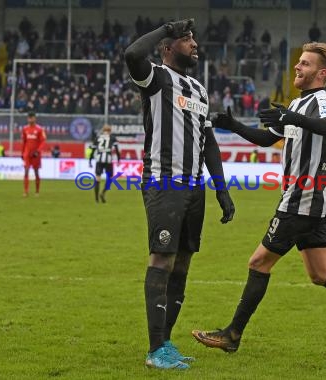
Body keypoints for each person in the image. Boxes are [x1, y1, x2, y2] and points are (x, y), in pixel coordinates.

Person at [192, 42, 326, 358]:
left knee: (258, 263)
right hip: (314, 201)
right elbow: (269, 138)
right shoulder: (300, 102)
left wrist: (290, 116)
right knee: (321, 274)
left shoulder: (320, 101)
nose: (297, 67)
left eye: (304, 64)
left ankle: (232, 334)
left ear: (321, 72)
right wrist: (233, 125)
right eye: (299, 62)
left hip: (301, 200)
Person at [124, 18, 235, 370]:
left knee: (183, 263)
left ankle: (166, 344)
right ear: (169, 47)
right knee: (162, 259)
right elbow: (132, 53)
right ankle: (156, 350)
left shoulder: (199, 89)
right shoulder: (156, 78)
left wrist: (221, 188)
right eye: (187, 40)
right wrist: (167, 28)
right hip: (164, 182)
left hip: (194, 187)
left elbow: (210, 143)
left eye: (194, 39)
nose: (195, 44)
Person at [88, 125, 120, 203]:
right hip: (108, 159)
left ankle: (96, 200)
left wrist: (90, 160)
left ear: (103, 130)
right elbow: (116, 150)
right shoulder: (112, 138)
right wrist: (119, 159)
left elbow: (93, 150)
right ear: (110, 131)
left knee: (97, 178)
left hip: (99, 159)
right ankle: (103, 193)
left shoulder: (98, 137)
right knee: (109, 178)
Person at [21, 111, 46, 197]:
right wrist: (22, 152)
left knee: (36, 172)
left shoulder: (39, 129)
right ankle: (25, 191)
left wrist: (38, 151)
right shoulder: (25, 129)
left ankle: (37, 191)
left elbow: (43, 142)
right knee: (26, 171)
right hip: (27, 153)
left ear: (35, 118)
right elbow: (24, 141)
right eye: (29, 118)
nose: (30, 119)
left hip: (35, 154)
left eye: (32, 117)